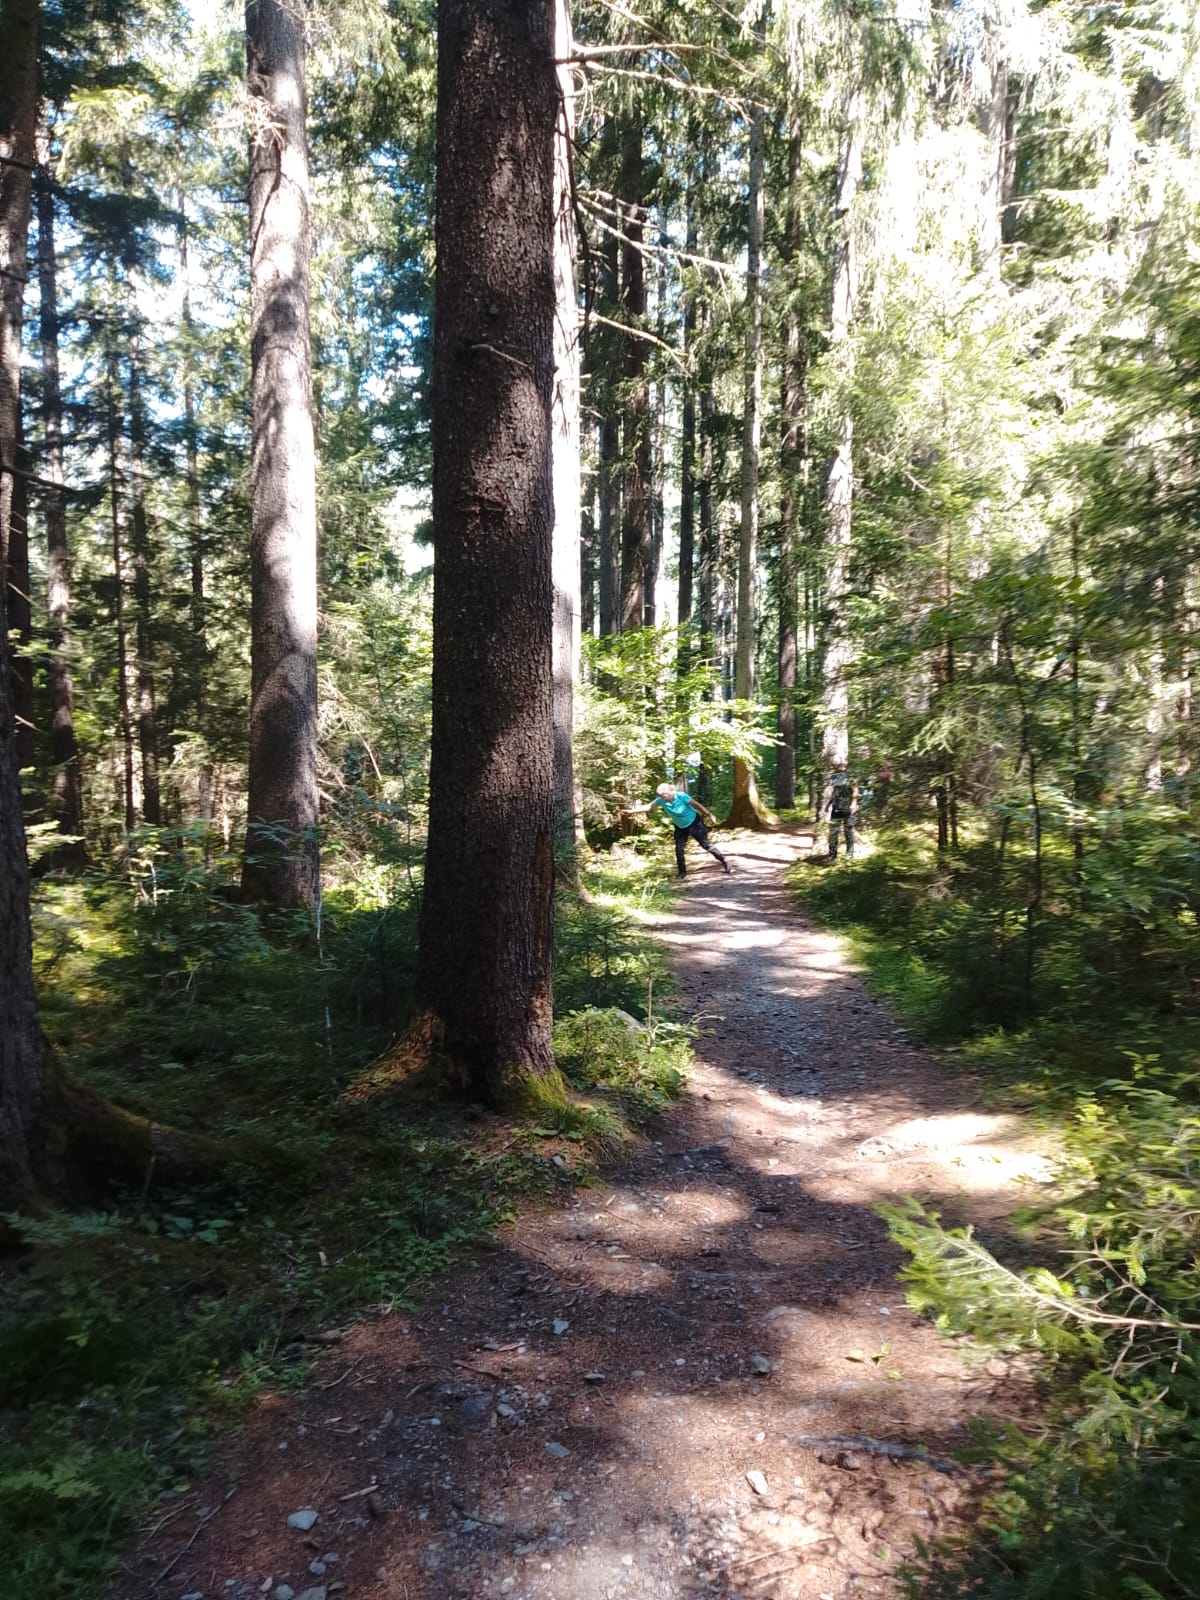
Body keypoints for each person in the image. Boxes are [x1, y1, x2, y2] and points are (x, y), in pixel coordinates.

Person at [628, 783, 733, 878]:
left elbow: (696, 805)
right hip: (680, 826)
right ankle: (682, 872)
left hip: (694, 822)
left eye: (664, 795)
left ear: (670, 791)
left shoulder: (681, 796)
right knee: (679, 849)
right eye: (660, 796)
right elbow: (649, 807)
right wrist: (631, 811)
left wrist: (709, 814)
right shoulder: (661, 800)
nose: (663, 798)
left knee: (706, 845)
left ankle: (724, 860)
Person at [826, 764, 860, 861]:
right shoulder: (835, 777)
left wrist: (853, 804)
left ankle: (849, 854)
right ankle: (832, 855)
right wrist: (829, 804)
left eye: (842, 766)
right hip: (836, 808)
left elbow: (855, 791)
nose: (840, 768)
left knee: (848, 831)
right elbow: (835, 792)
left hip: (848, 809)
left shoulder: (850, 777)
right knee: (833, 832)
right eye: (838, 766)